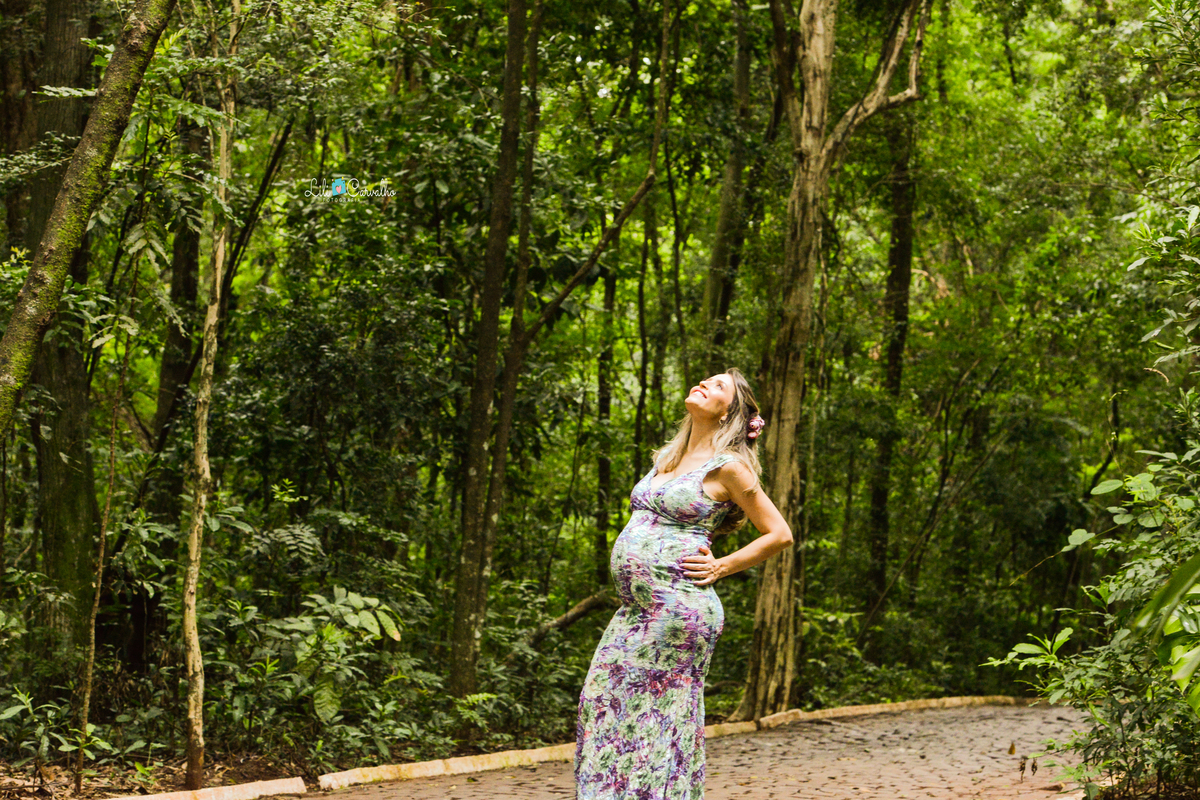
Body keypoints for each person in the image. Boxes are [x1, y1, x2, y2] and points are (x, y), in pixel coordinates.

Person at [574, 368, 793, 800]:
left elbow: (779, 533)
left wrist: (722, 566)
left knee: (656, 718)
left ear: (729, 412)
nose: (705, 383)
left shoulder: (729, 467)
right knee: (600, 701)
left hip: (678, 611)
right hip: (635, 611)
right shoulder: (667, 459)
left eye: (718, 386)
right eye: (706, 379)